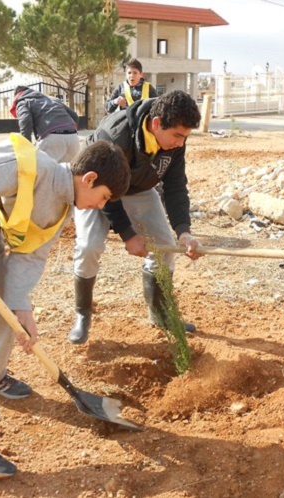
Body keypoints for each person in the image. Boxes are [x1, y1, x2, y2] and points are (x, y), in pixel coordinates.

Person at [0, 136, 130, 479]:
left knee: (6, 317)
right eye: (103, 197)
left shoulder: (63, 204)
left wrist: (22, 307)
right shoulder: (27, 165)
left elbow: (31, 254)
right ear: (89, 178)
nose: (99, 206)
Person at [69, 90, 203, 345]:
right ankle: (82, 314)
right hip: (97, 188)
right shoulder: (115, 134)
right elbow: (102, 189)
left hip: (139, 189)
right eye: (177, 136)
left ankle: (160, 314)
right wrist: (128, 234)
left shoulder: (174, 143)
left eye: (185, 137)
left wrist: (183, 231)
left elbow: (175, 186)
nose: (181, 143)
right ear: (156, 124)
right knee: (89, 247)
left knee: (165, 247)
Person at [10, 85, 80, 162]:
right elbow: (74, 116)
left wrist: (26, 146)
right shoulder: (53, 99)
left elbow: (25, 121)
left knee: (43, 170)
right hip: (73, 136)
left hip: (52, 137)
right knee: (70, 171)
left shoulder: (23, 101)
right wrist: (69, 130)